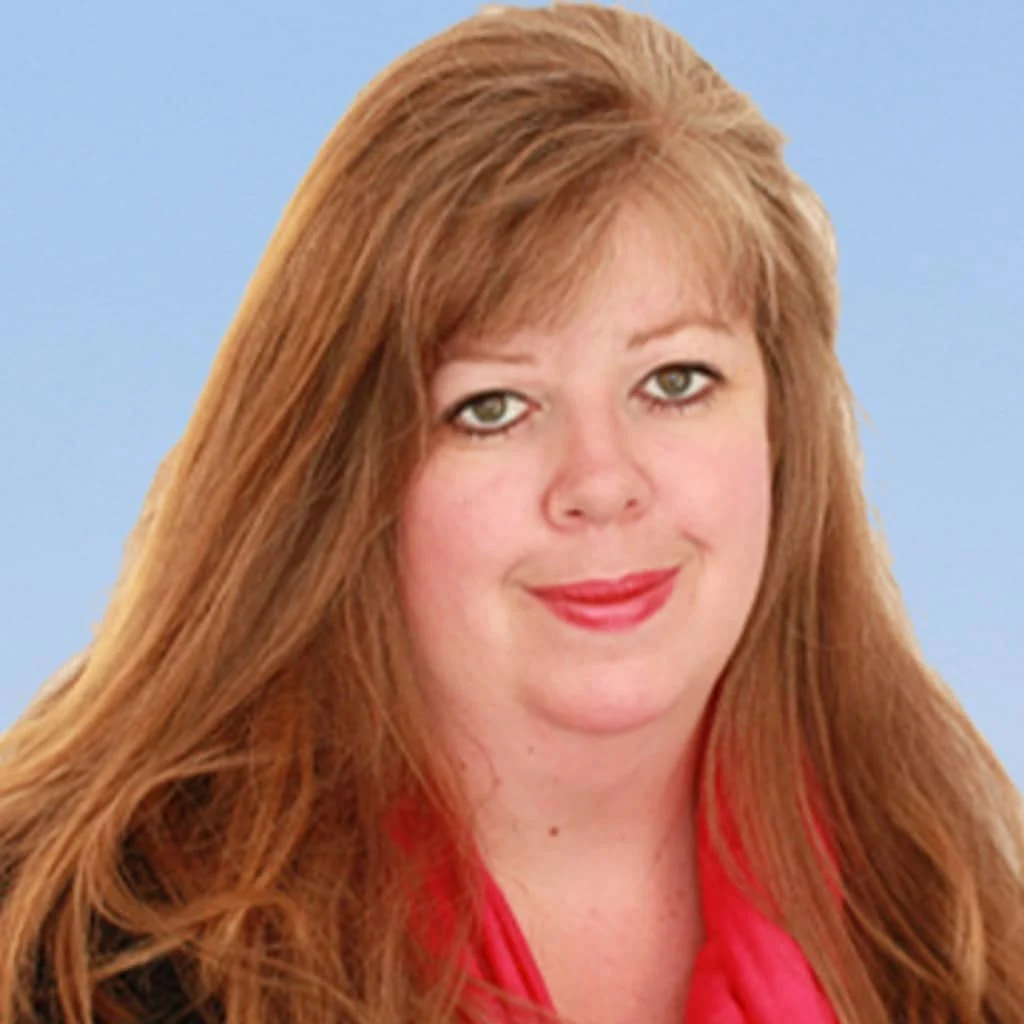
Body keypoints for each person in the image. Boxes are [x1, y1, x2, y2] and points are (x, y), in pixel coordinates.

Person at [1, 4, 1021, 1022]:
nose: (601, 479)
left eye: (674, 381)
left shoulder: (952, 926)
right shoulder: (81, 955)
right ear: (343, 479)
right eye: (491, 408)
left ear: (782, 432)